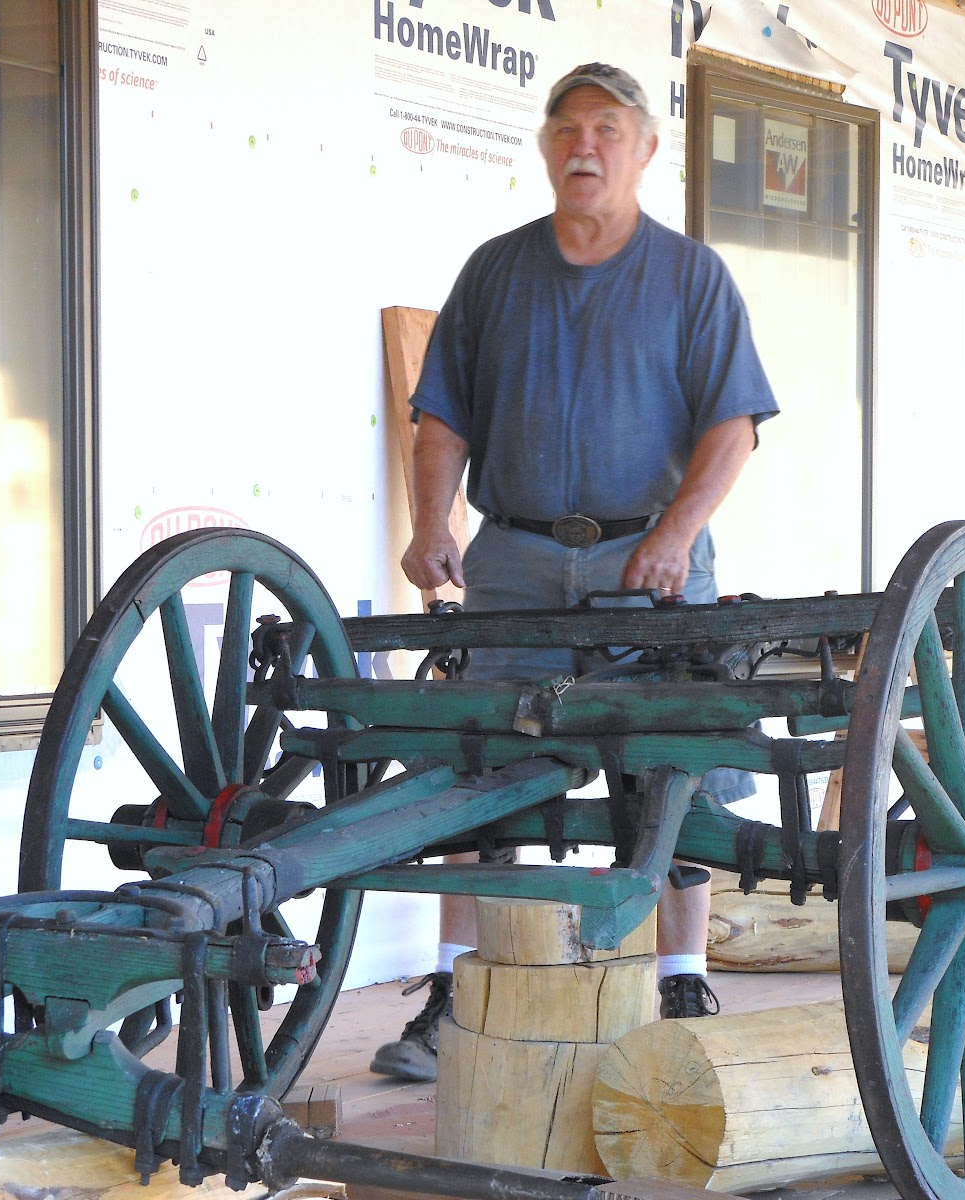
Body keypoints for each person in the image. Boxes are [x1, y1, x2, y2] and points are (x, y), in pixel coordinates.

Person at [370, 63, 779, 1082]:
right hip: (512, 559)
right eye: (567, 130)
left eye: (607, 128)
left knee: (669, 763)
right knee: (473, 772)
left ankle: (680, 972)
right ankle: (456, 991)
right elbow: (442, 419)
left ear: (644, 150)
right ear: (547, 150)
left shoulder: (691, 277)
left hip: (650, 556)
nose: (584, 146)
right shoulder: (495, 273)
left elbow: (732, 430)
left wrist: (677, 537)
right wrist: (431, 523)